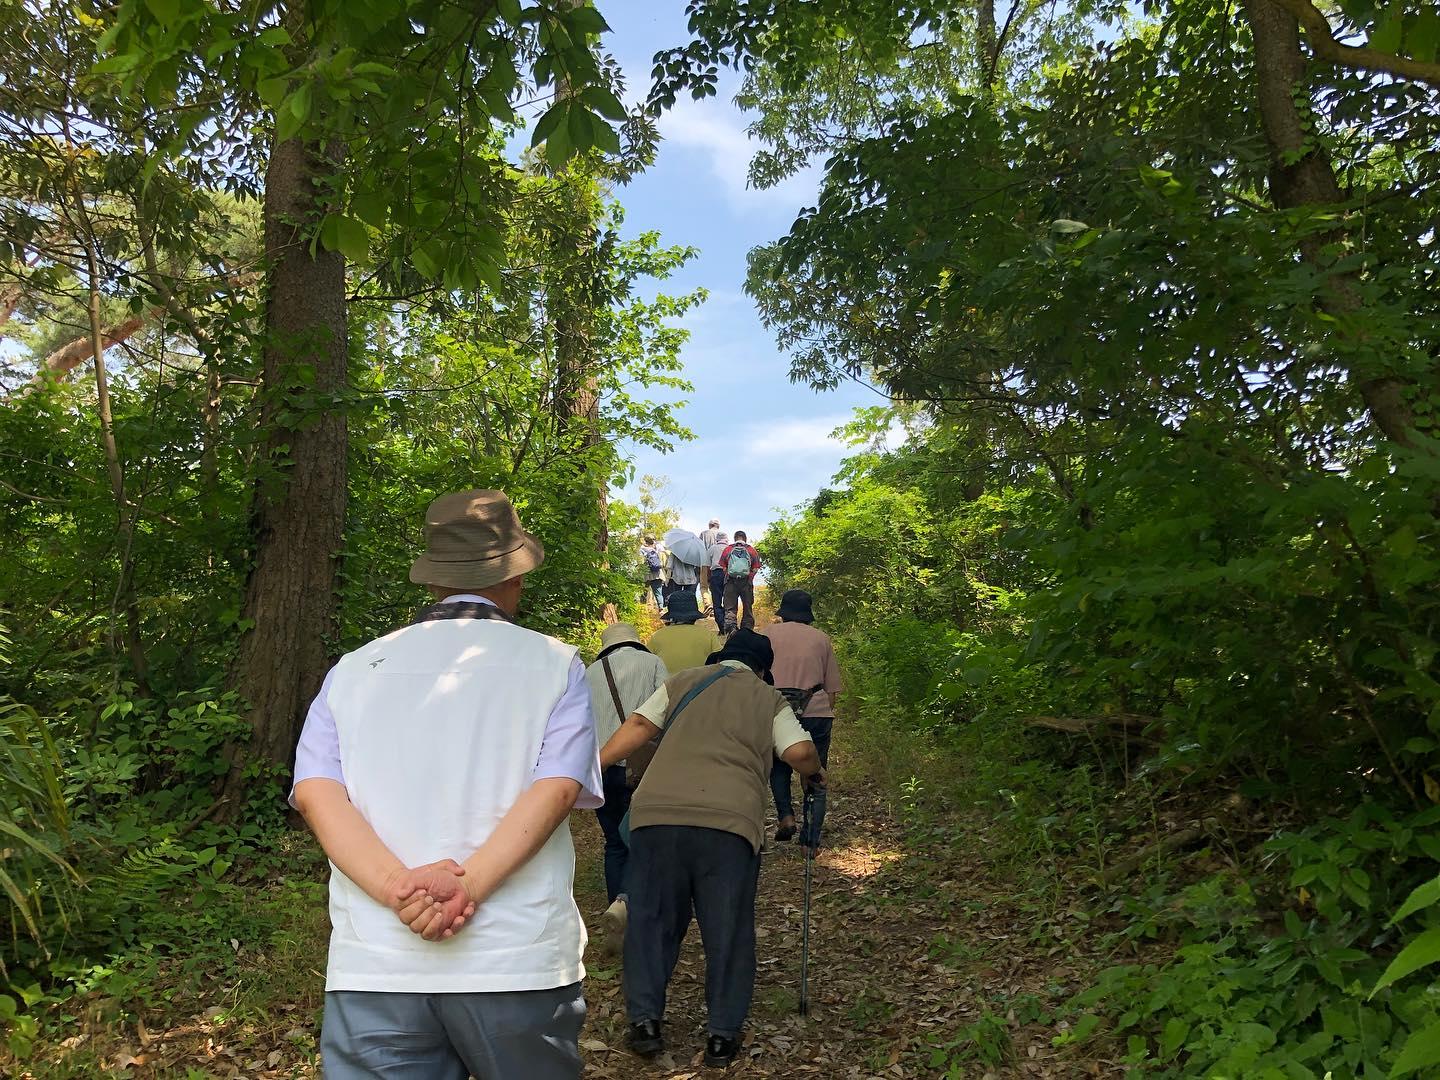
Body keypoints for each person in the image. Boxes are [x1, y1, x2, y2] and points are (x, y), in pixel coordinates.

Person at [290, 489, 603, 1080]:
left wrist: (397, 889)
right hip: (517, 960)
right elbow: (557, 788)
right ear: (515, 578)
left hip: (376, 965)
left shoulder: (352, 671)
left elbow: (316, 792)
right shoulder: (555, 665)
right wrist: (469, 886)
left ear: (432, 581)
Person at [599, 630, 825, 1067]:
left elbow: (640, 726)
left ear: (721, 657)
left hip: (657, 817)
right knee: (728, 929)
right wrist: (814, 774)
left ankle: (645, 1023)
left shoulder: (683, 681)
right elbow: (798, 750)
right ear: (763, 668)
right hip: (727, 824)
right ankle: (721, 1035)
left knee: (650, 920)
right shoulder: (767, 698)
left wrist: (594, 764)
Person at [584, 622, 668, 947]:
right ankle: (634, 905)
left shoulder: (589, 674)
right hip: (645, 767)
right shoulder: (653, 664)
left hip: (603, 768)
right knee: (644, 838)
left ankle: (616, 909)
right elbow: (667, 710)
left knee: (614, 842)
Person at [762, 590, 842, 844]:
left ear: (783, 612)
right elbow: (832, 689)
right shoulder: (821, 639)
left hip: (776, 710)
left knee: (778, 765)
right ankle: (810, 842)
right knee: (816, 773)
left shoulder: (767, 634)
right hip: (815, 710)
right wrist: (823, 713)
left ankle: (786, 816)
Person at [648, 591, 723, 673]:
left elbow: (646, 662)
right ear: (695, 616)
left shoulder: (657, 636)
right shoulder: (708, 635)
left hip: (666, 684)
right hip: (700, 683)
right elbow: (720, 661)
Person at [719, 530, 762, 633]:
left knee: (730, 608)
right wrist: (749, 577)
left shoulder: (728, 549)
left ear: (735, 538)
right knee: (747, 607)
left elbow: (723, 567)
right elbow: (756, 568)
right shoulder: (751, 550)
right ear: (745, 538)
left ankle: (731, 629)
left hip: (730, 582)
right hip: (746, 583)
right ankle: (746, 630)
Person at [704, 530, 729, 627]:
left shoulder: (712, 548)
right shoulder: (729, 548)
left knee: (717, 602)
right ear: (726, 539)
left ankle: (721, 626)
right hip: (728, 575)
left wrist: (709, 579)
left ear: (717, 539)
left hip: (715, 574)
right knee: (728, 602)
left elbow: (707, 566)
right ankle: (729, 625)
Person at [640, 537, 664, 610]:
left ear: (646, 543)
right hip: (657, 574)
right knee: (658, 592)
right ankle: (661, 608)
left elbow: (641, 562)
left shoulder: (642, 550)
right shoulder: (656, 550)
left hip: (646, 574)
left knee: (644, 591)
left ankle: (642, 608)